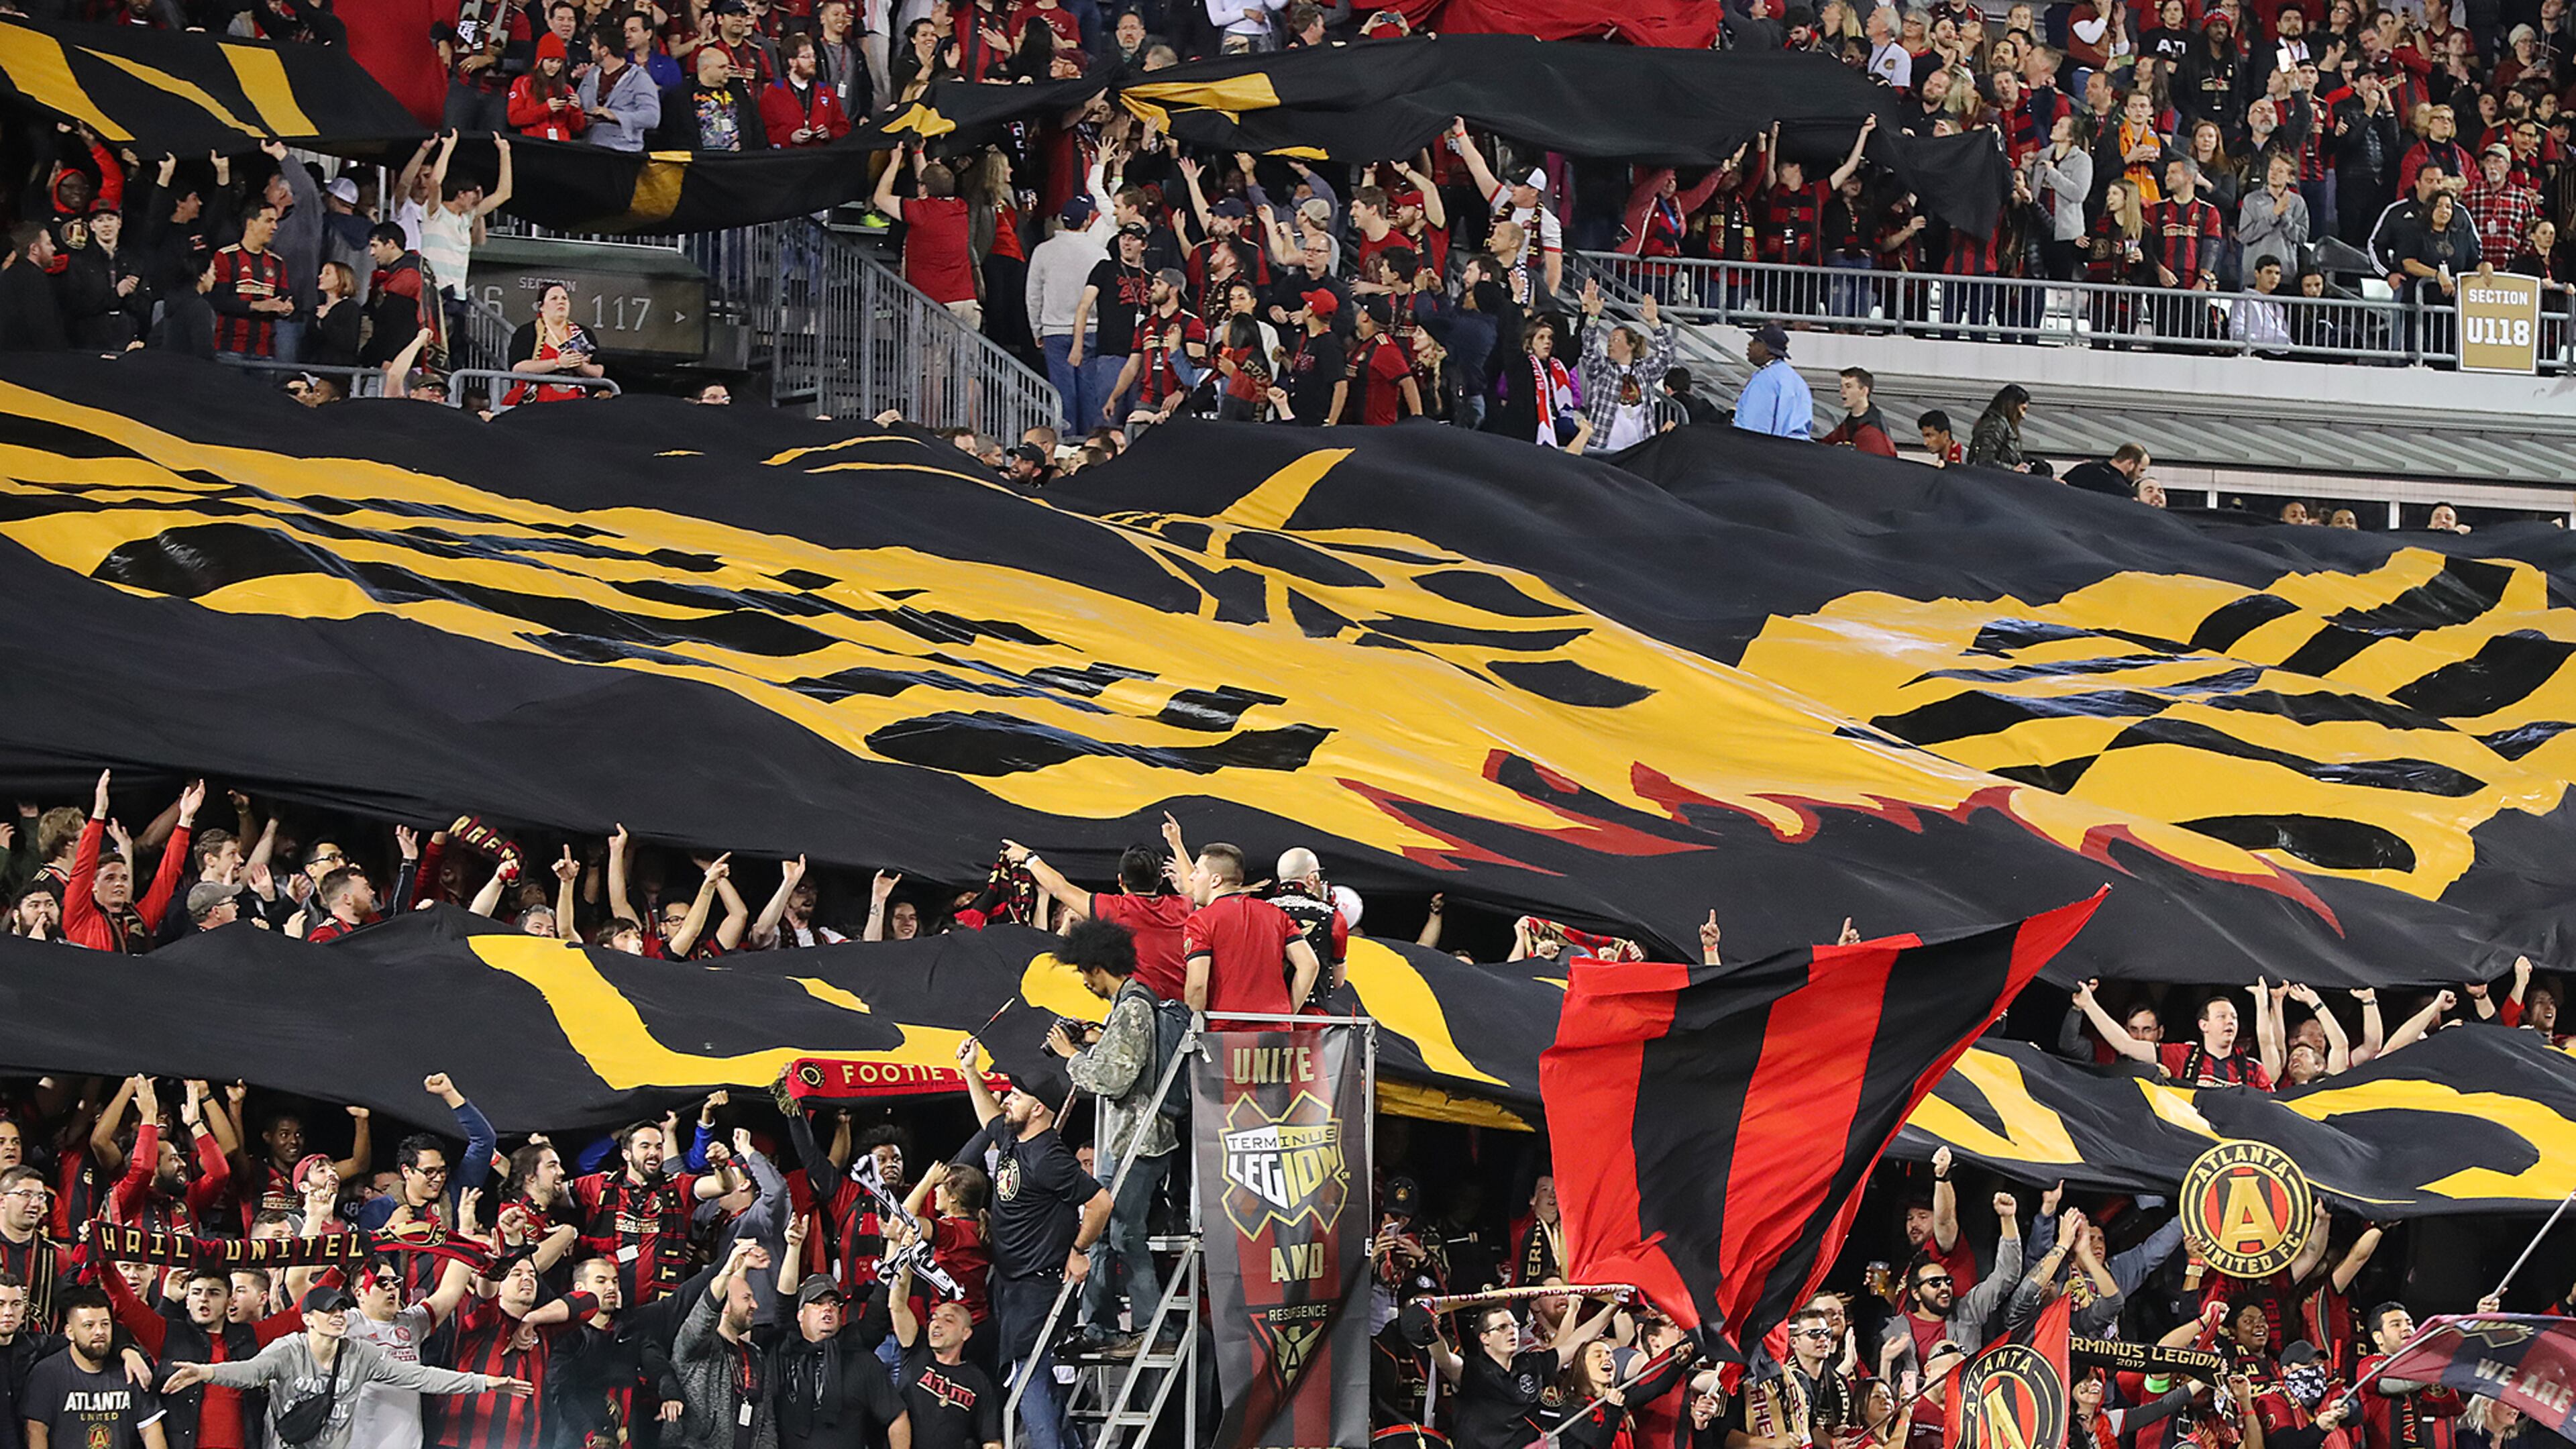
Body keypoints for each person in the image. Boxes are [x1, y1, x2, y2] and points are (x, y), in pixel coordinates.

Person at [947, 1042, 1108, 1449]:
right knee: (1035, 1378)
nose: (1007, 1099)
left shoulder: (1049, 1155)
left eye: (1017, 1096)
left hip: (1038, 1284)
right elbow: (989, 1119)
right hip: (1011, 1282)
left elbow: (1100, 1203)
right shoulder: (1014, 1136)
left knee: (1028, 1374)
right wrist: (971, 1071)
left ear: (1038, 1109)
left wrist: (1079, 1248)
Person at [160, 1285, 529, 1449]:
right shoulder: (288, 1349)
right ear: (308, 1319)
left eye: (341, 1311)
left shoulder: (360, 1354)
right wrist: (207, 1372)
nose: (338, 1318)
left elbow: (418, 1377)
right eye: (329, 1312)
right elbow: (250, 1372)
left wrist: (484, 1382)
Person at [1047, 919, 1172, 1357]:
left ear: (1099, 966)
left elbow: (1116, 1079)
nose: (1084, 982)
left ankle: (1151, 1327)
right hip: (1122, 1139)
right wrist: (1095, 1041)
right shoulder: (1127, 1007)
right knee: (1100, 1231)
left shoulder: (1135, 1007)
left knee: (1124, 1233)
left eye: (1084, 971)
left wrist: (1072, 1057)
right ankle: (1098, 1327)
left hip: (1140, 1139)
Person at [1428, 1297, 1621, 1449]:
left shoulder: (1530, 1364)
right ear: (1485, 1338)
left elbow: (1576, 1342)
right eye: (1502, 1328)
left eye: (1514, 1326)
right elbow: (1444, 1359)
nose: (1512, 1332)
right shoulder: (1472, 1370)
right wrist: (1429, 1331)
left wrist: (1614, 1306)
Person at [1181, 840, 1322, 1027]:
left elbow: (1197, 986)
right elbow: (1310, 965)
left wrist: (1195, 1029)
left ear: (1215, 879)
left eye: (1197, 871)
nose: (1191, 877)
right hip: (1276, 1035)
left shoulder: (1201, 920)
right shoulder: (1276, 914)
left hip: (1225, 1034)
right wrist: (1286, 1014)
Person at [886, 1255, 1000, 1449]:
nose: (936, 1324)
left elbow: (991, 1440)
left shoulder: (979, 1381)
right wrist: (904, 1259)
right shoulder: (917, 1351)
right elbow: (897, 1305)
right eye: (934, 1318)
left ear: (966, 1333)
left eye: (948, 1320)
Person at [1027, 198, 1107, 436]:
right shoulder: (1099, 253)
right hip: (1091, 329)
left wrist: (1036, 330)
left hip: (1055, 331)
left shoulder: (1043, 251)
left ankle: (1066, 446)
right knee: (1089, 391)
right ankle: (1090, 446)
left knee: (1063, 394)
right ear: (1088, 220)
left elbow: (1033, 295)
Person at [1575, 284, 1672, 451]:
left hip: (1639, 447)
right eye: (1610, 340)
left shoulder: (1644, 370)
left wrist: (1654, 323)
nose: (1611, 344)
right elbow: (1589, 350)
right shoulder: (1603, 369)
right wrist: (1593, 318)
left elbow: (1667, 355)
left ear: (1631, 346)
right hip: (1603, 446)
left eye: (1617, 340)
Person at [211, 203, 292, 362]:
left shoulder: (277, 263)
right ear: (250, 223)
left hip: (265, 351)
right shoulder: (226, 256)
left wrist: (286, 309)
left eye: (276, 221)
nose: (275, 227)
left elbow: (282, 299)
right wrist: (256, 306)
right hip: (230, 350)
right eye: (269, 221)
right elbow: (218, 300)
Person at [502, 282, 602, 407]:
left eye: (564, 298)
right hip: (536, 405)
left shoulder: (584, 333)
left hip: (576, 405)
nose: (561, 302)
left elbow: (598, 371)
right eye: (554, 298)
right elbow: (518, 368)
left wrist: (579, 365)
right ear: (541, 306)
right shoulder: (527, 331)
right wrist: (558, 363)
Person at [761, 33, 853, 150]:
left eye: (814, 56)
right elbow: (766, 130)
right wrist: (790, 136)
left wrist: (830, 134)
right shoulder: (773, 93)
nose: (813, 61)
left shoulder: (825, 91)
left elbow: (843, 126)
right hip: (787, 159)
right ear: (792, 62)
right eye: (806, 57)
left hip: (821, 157)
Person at [578, 23, 661, 150]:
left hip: (623, 151)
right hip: (590, 147)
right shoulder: (591, 75)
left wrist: (615, 115)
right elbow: (580, 106)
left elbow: (652, 117)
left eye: (593, 45)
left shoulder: (639, 78)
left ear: (604, 50)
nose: (589, 48)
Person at [1733, 323, 1813, 440]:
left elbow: (1755, 431)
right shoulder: (1795, 378)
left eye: (1756, 341)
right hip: (1799, 449)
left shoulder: (1765, 379)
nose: (1750, 344)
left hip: (1772, 451)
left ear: (1768, 349)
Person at [0, 223, 66, 352]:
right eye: (49, 243)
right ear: (34, 249)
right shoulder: (33, 278)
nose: (54, 248)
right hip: (33, 362)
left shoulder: (11, 274)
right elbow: (43, 328)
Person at [1818, 366, 1897, 455]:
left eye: (1848, 387)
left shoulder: (1874, 432)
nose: (1842, 391)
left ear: (1864, 391)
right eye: (1842, 387)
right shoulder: (1850, 422)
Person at [1965, 384, 2031, 470]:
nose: (2023, 416)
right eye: (2023, 409)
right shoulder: (1996, 425)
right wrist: (2013, 469)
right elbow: (1985, 461)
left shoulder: (1997, 424)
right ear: (2012, 406)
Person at [2061, 443, 2151, 496]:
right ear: (2130, 464)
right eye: (2141, 470)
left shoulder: (2083, 469)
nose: (2140, 476)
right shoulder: (2123, 491)